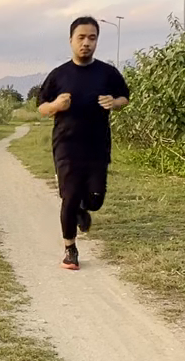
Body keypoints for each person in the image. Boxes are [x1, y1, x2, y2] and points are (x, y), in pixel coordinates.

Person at [36, 16, 129, 270]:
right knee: (69, 196)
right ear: (71, 40)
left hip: (97, 145)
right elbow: (42, 106)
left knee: (95, 200)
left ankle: (82, 209)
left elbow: (124, 97)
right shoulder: (59, 75)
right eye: (81, 37)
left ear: (97, 41)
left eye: (92, 38)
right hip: (66, 145)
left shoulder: (107, 73)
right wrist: (56, 106)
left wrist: (114, 103)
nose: (86, 43)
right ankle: (70, 249)